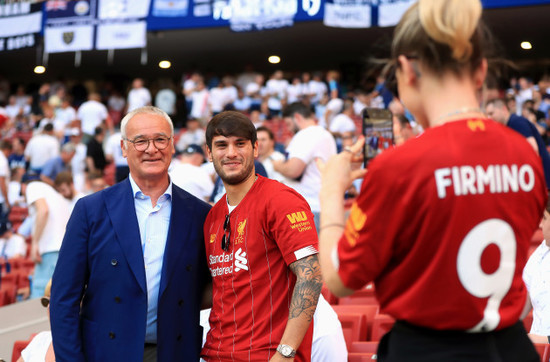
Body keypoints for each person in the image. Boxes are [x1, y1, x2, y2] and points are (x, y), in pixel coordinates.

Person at [317, 1, 547, 361]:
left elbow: (339, 277)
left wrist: (331, 190)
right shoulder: (524, 154)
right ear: (480, 70)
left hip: (426, 350)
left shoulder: (398, 166)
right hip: (511, 348)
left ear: (407, 69)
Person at [50, 106, 211, 361]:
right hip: (105, 352)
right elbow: (63, 299)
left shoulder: (200, 214)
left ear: (172, 145)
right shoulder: (90, 210)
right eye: (140, 141)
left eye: (160, 139)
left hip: (174, 352)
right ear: (124, 148)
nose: (151, 149)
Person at [202, 111, 322, 361]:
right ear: (209, 153)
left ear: (256, 149)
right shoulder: (213, 216)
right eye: (222, 145)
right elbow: (221, 288)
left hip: (266, 355)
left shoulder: (280, 200)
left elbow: (311, 275)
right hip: (215, 353)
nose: (231, 153)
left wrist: (286, 353)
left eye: (240, 143)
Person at [273, 102, 337, 230]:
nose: (289, 129)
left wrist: (278, 165)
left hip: (309, 206)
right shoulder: (325, 134)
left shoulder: (306, 134)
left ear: (297, 117)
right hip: (321, 204)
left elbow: (293, 170)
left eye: (289, 124)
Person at [21, 173, 71, 299]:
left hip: (50, 251)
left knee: (40, 300)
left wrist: (35, 243)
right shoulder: (56, 195)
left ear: (23, 186)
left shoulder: (32, 186)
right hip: (64, 251)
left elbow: (43, 210)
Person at [485, 98, 550, 190]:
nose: (489, 118)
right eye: (487, 115)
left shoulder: (516, 122)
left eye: (491, 113)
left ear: (503, 109)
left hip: (543, 183)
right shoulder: (509, 125)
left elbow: (532, 149)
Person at [523, 199, 550, 344]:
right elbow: (523, 304)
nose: (540, 224)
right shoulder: (541, 251)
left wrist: (538, 340)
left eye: (545, 218)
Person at [17, 279, 55, 362]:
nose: (48, 307)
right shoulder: (41, 339)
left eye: (55, 300)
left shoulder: (85, 347)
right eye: (46, 301)